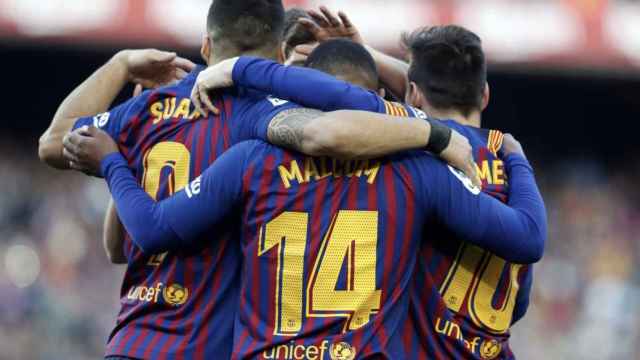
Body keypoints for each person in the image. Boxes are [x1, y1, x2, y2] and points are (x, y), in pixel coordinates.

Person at [38, 1, 476, 359]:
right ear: (275, 55)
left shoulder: (148, 111)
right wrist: (433, 134)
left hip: (133, 339)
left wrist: (121, 64)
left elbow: (56, 147)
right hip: (213, 343)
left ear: (206, 45)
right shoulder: (264, 117)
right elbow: (339, 126)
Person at [62, 109, 545, 359]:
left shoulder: (254, 157)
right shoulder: (415, 174)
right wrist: (511, 157)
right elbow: (525, 250)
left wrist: (115, 162)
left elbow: (139, 236)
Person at [195, 11, 543, 357]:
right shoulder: (510, 167)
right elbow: (521, 290)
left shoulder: (415, 149)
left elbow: (338, 94)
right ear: (483, 95)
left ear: (413, 93)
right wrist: (520, 160)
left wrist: (239, 68)